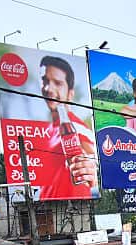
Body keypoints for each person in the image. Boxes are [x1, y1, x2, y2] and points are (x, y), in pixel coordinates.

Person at [38, 56, 98, 198]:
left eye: (58, 83)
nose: (49, 89)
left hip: (73, 209)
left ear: (70, 93)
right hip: (45, 209)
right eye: (45, 81)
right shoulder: (47, 131)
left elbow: (92, 160)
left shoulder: (76, 127)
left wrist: (90, 168)